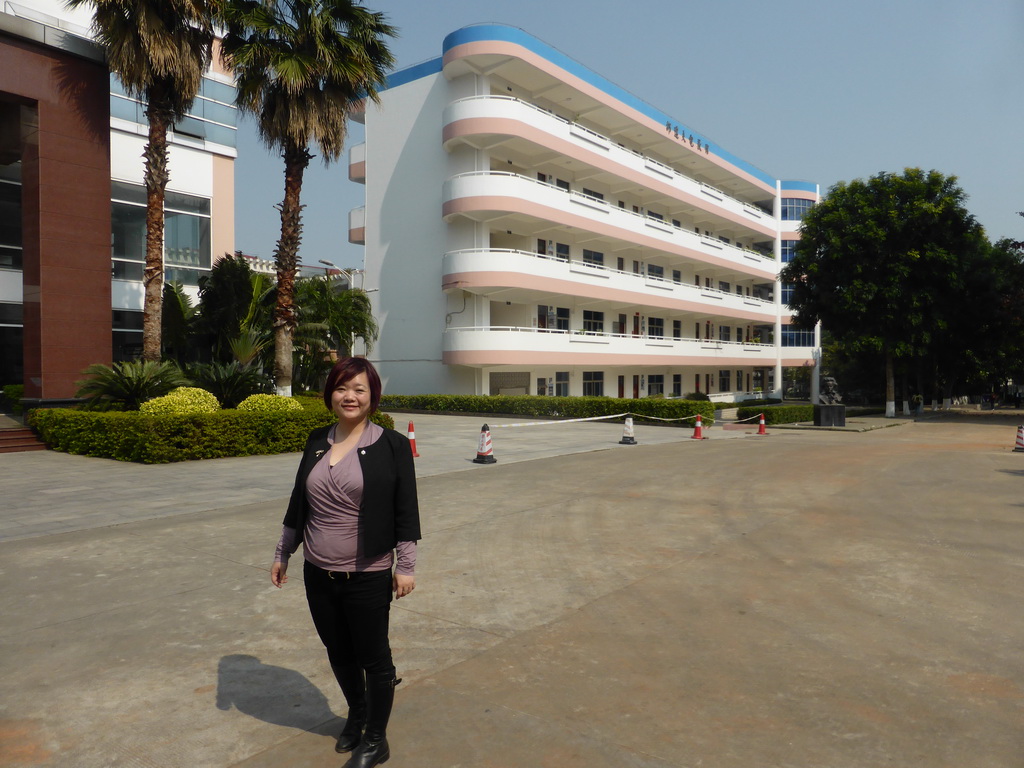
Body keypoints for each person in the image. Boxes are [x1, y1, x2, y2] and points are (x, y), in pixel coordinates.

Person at [271, 357, 420, 768]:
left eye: (358, 389)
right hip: (317, 571)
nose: (349, 396)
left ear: (372, 397)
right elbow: (299, 502)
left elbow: (404, 507)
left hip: (368, 573)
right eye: (341, 388)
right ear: (329, 395)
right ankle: (357, 714)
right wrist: (283, 551)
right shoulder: (317, 439)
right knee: (337, 650)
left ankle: (376, 739)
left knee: (374, 657)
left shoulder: (390, 443)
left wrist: (405, 564)